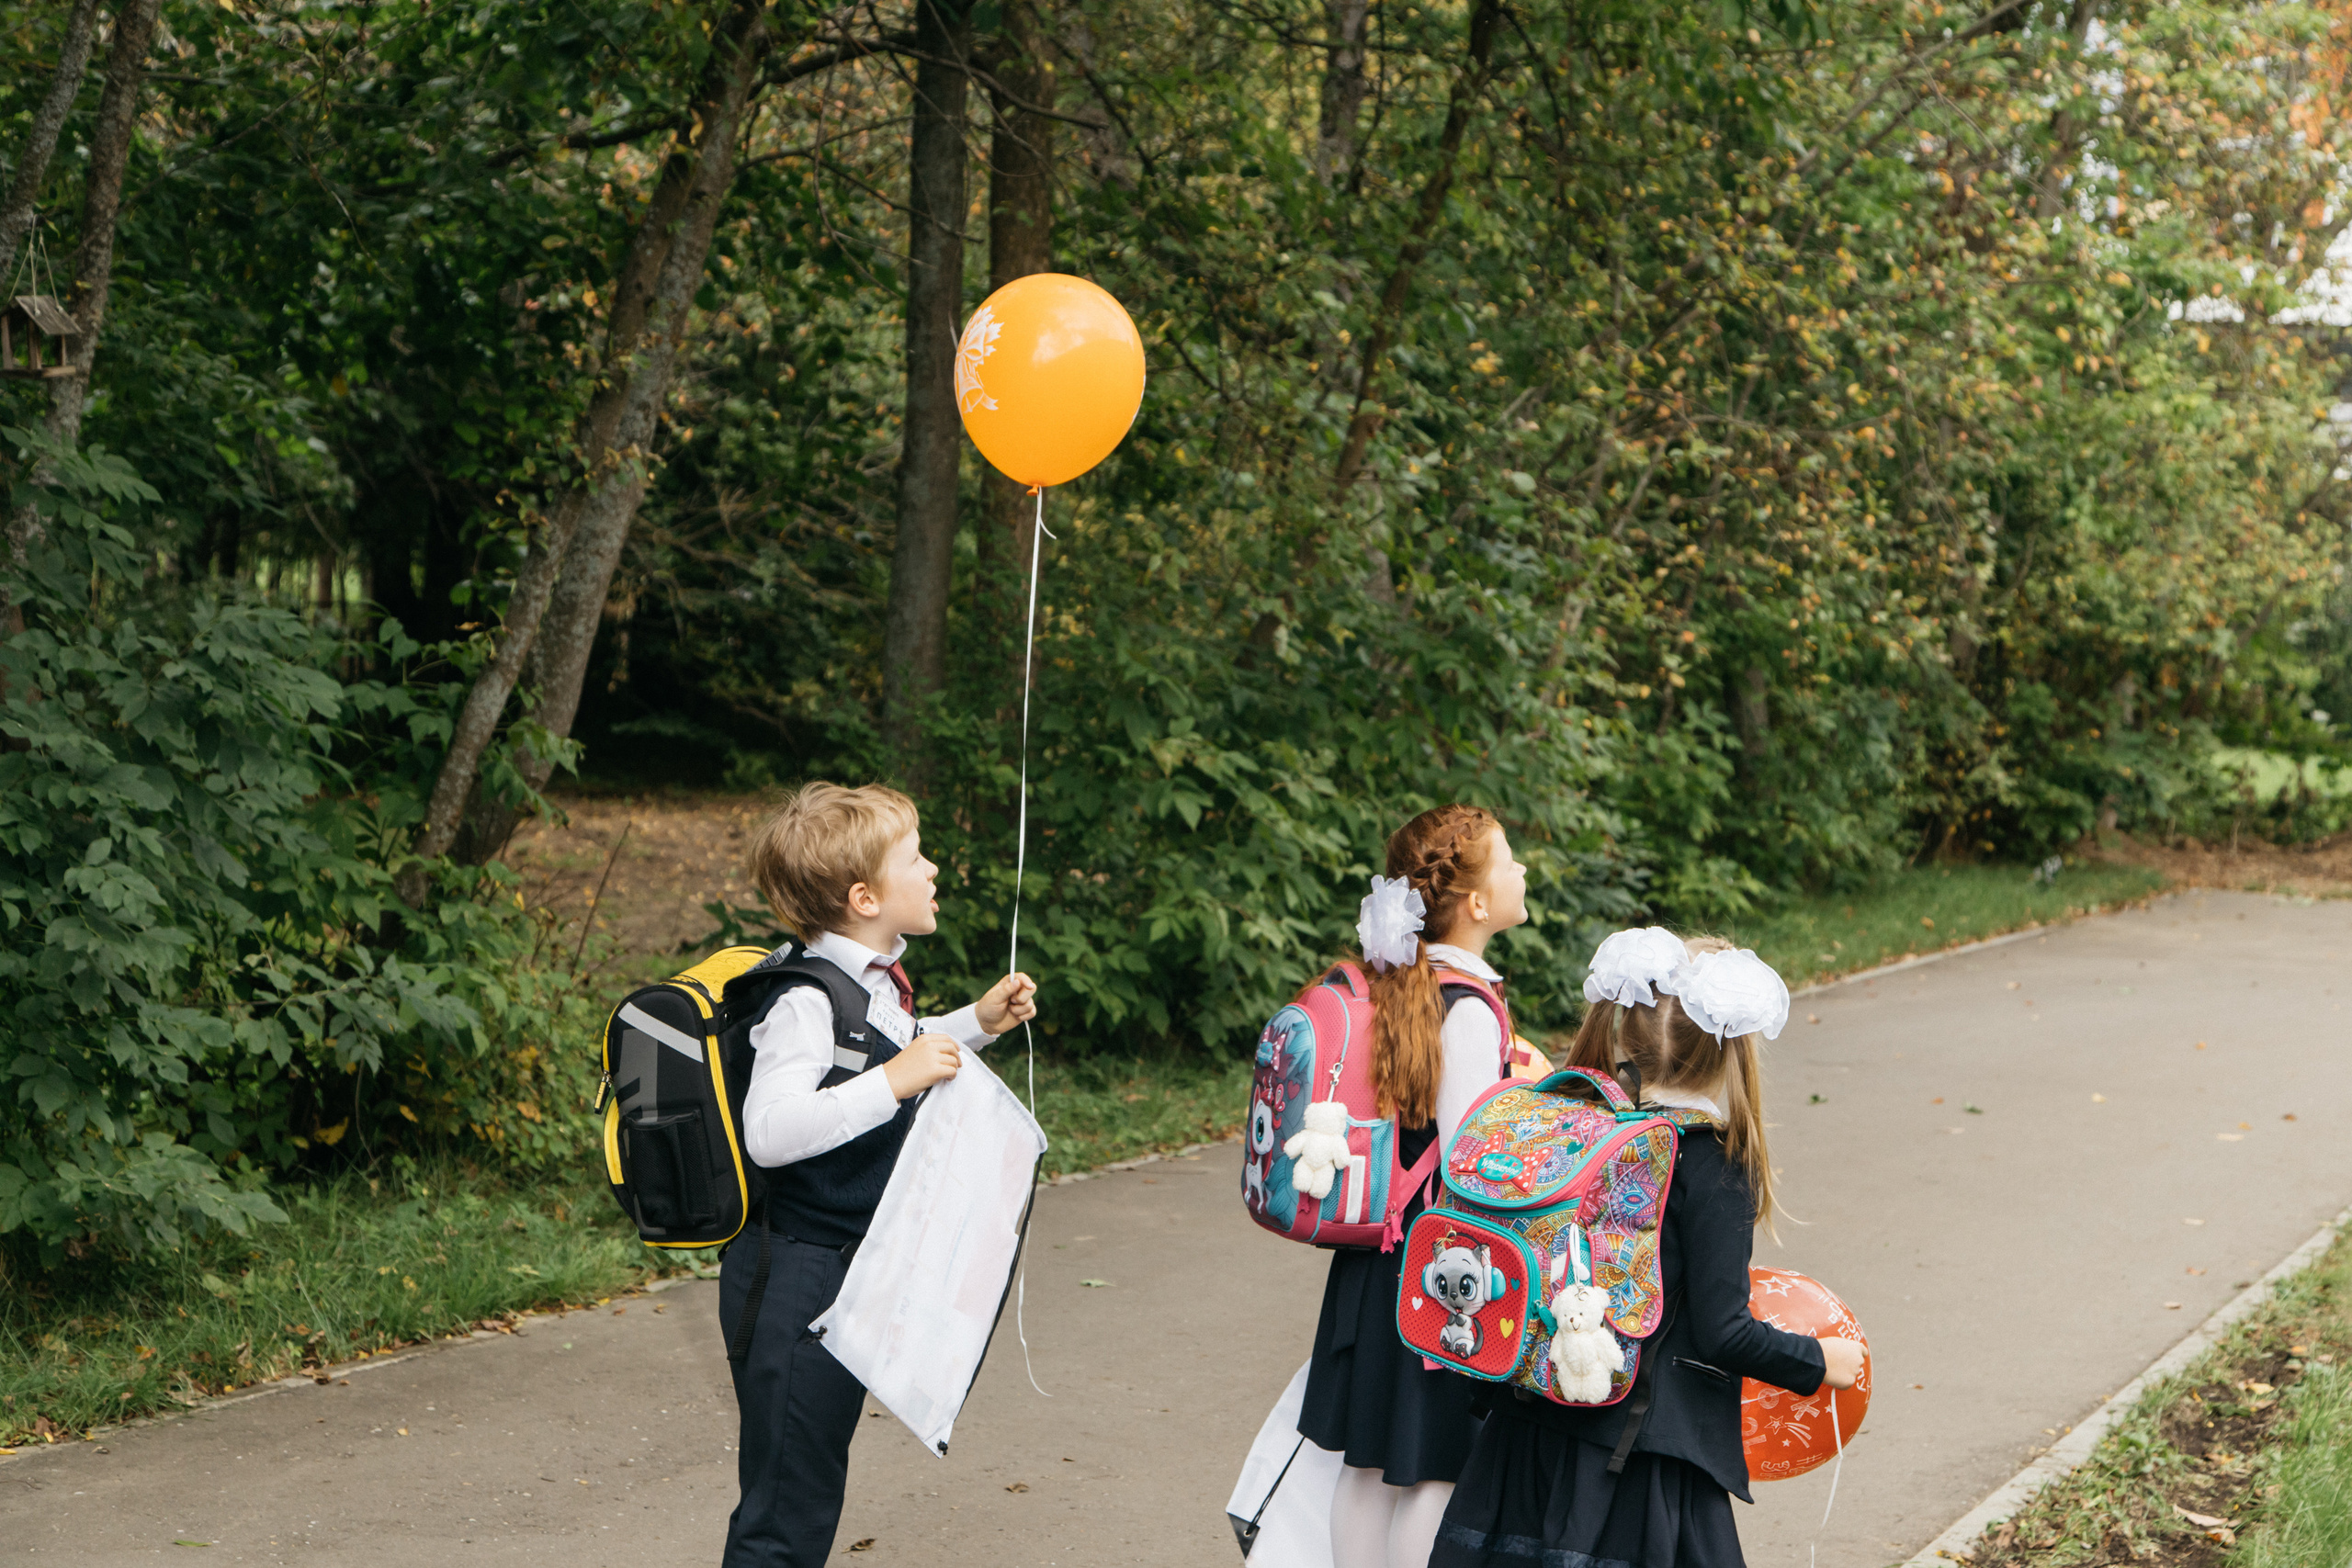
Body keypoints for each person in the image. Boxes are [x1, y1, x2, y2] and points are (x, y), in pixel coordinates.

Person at [1428, 930, 1864, 1568]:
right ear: (1729, 1052)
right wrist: (1818, 1360)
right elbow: (1724, 1333)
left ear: (1623, 1034)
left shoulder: (1581, 1131)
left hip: (1528, 1436)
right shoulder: (1712, 1165)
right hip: (1637, 1462)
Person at [720, 781, 1037, 1568]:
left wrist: (976, 1023)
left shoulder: (866, 979)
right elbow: (772, 1130)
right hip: (793, 1274)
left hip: (839, 1268)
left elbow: (887, 1044)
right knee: (784, 1513)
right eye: (915, 857)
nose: (933, 869)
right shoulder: (800, 997)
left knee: (808, 1488)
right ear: (865, 896)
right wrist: (897, 1083)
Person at [1298, 803, 1531, 1568]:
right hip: (1441, 1271)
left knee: (1367, 1465)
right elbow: (1472, 1160)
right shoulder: (1468, 1007)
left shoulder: (1407, 984)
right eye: (1509, 862)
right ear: (1475, 903)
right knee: (1434, 1469)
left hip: (1378, 1262)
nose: (1522, 871)